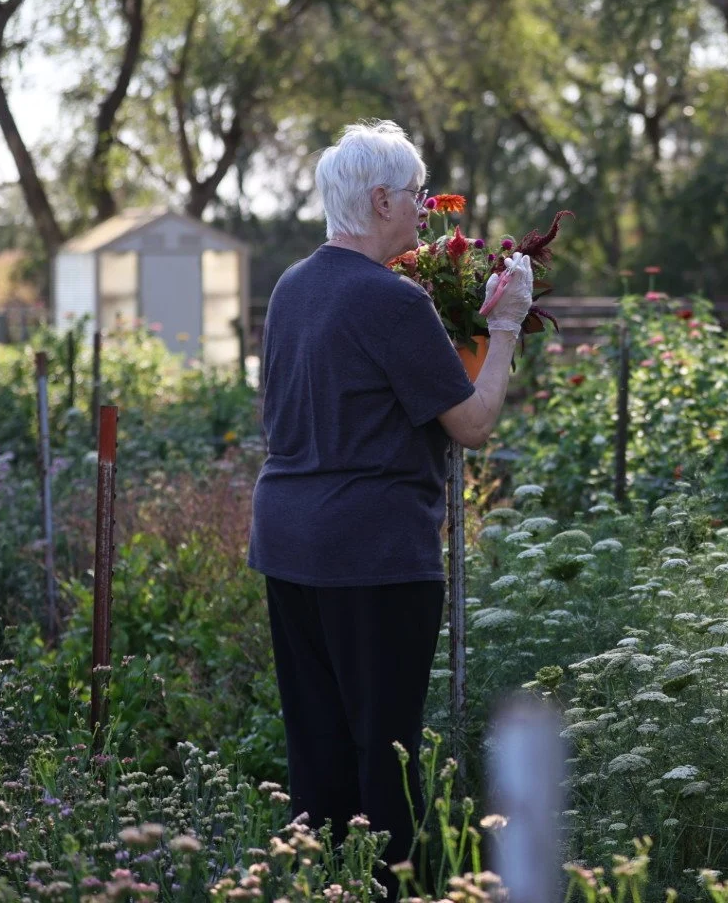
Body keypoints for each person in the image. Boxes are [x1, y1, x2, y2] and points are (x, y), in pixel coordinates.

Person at [247, 120, 533, 892]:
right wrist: (503, 326)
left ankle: (318, 883)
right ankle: (393, 887)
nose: (422, 211)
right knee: (388, 750)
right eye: (413, 196)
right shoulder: (390, 300)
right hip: (370, 551)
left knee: (319, 745)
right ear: (379, 201)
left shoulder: (292, 286)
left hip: (288, 539)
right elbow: (472, 425)